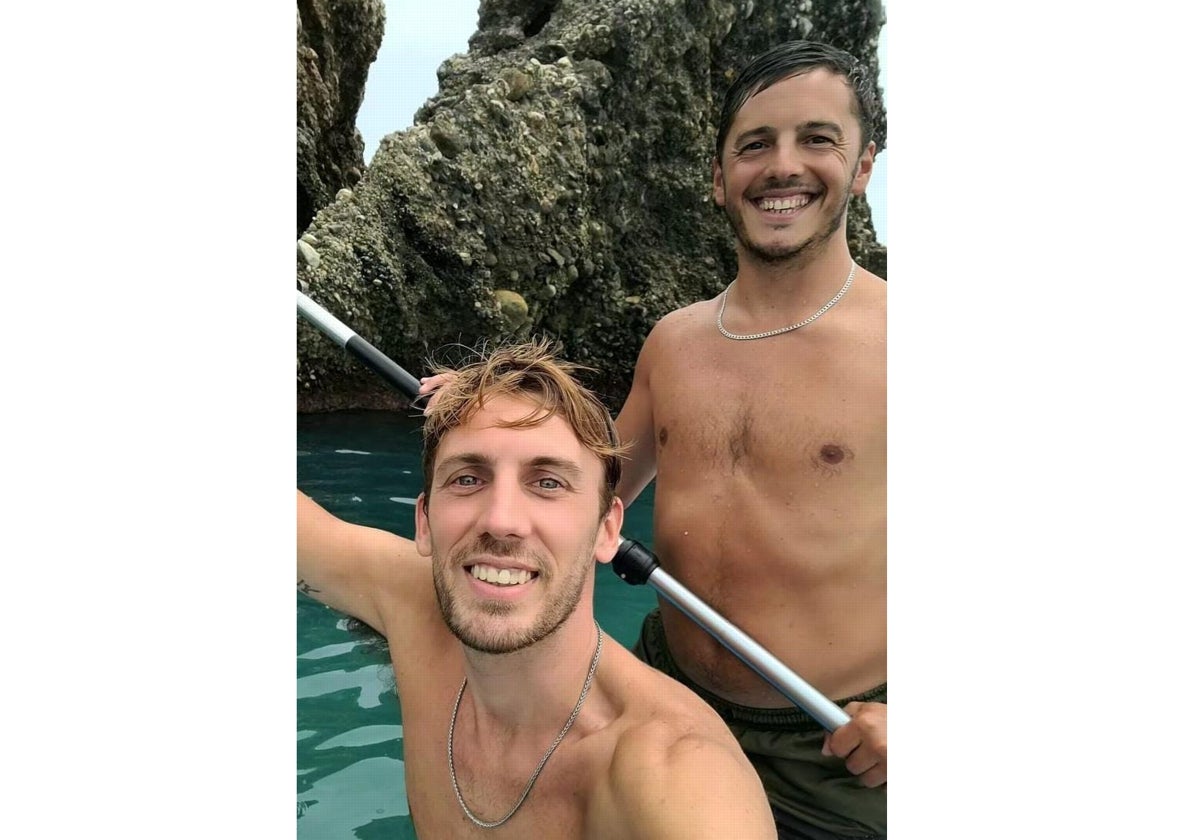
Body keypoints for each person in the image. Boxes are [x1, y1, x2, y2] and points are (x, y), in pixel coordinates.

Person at [298, 339, 777, 838]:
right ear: (424, 521)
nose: (502, 520)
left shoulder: (678, 783)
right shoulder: (411, 604)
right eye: (467, 478)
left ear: (607, 529)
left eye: (548, 483)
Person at [611, 41, 888, 839]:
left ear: (863, 165)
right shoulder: (674, 341)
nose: (783, 166)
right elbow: (593, 489)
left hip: (834, 749)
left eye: (818, 139)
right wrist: (488, 418)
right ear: (719, 177)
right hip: (668, 702)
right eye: (755, 145)